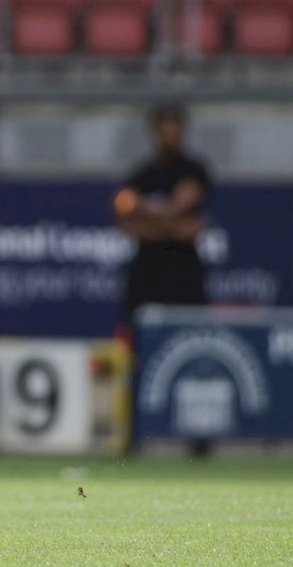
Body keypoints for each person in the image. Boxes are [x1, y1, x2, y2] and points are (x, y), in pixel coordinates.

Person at [113, 103, 212, 453]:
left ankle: (200, 439)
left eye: (175, 128)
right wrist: (172, 219)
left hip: (185, 276)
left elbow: (195, 228)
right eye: (164, 128)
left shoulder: (195, 170)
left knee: (195, 350)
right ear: (155, 131)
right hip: (147, 275)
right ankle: (135, 435)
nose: (169, 136)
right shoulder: (141, 174)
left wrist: (150, 213)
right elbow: (129, 223)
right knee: (138, 353)